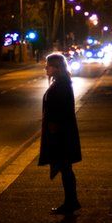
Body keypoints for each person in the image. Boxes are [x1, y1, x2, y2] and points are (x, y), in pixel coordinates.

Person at [38, 52, 82, 214]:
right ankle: (71, 201)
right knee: (65, 167)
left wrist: (54, 130)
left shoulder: (61, 84)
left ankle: (71, 202)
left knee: (65, 167)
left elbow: (60, 110)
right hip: (63, 132)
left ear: (56, 67)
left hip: (61, 134)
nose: (45, 68)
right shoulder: (61, 82)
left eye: (48, 65)